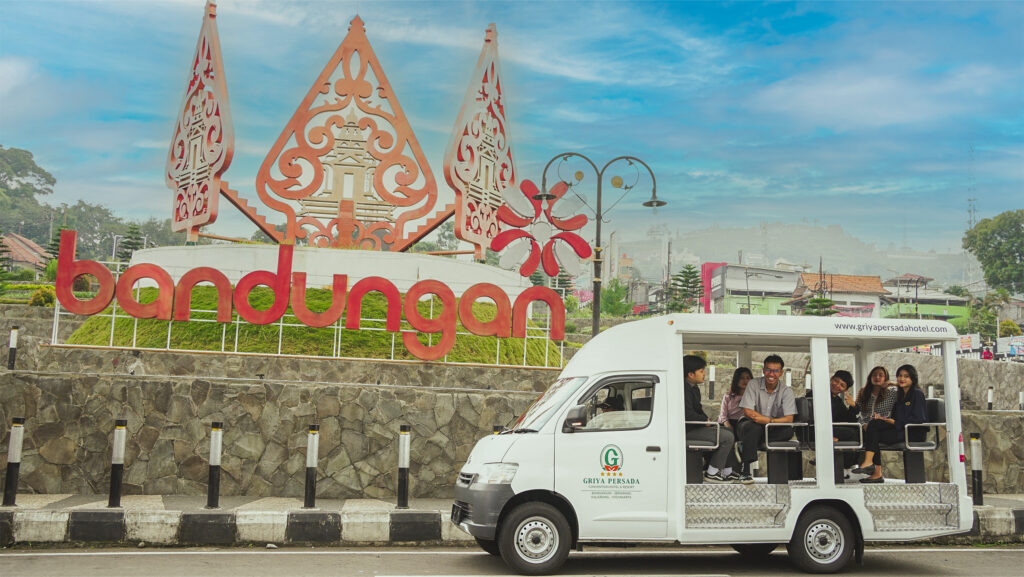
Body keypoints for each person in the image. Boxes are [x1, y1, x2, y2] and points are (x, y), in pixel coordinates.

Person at [853, 364, 927, 483]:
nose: (902, 379)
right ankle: (872, 467)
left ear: (913, 378)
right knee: (873, 426)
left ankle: (871, 466)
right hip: (900, 428)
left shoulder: (916, 394)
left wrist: (896, 422)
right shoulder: (901, 394)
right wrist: (882, 418)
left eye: (906, 376)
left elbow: (919, 419)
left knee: (873, 435)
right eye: (900, 376)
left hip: (912, 432)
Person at [683, 355, 747, 484]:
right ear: (690, 374)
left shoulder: (694, 388)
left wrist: (707, 421)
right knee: (726, 437)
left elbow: (698, 409)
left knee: (728, 432)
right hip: (687, 429)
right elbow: (688, 414)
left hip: (695, 426)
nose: (704, 374)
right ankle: (712, 472)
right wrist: (705, 421)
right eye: (701, 371)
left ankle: (727, 471)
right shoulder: (683, 389)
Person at [736, 354, 797, 479]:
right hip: (750, 424)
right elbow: (748, 411)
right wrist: (761, 420)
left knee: (788, 430)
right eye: (768, 370)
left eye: (775, 371)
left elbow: (789, 419)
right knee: (754, 428)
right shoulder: (753, 384)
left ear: (781, 373)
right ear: (763, 371)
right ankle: (745, 469)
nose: (771, 374)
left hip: (772, 427)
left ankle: (747, 445)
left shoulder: (787, 391)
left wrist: (768, 421)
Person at [829, 370, 859, 470]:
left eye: (842, 385)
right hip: (817, 429)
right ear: (831, 378)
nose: (837, 385)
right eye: (836, 381)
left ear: (845, 390)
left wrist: (853, 406)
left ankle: (850, 465)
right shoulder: (816, 394)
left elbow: (848, 421)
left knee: (860, 431)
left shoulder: (837, 400)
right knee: (852, 433)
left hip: (832, 429)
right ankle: (844, 467)